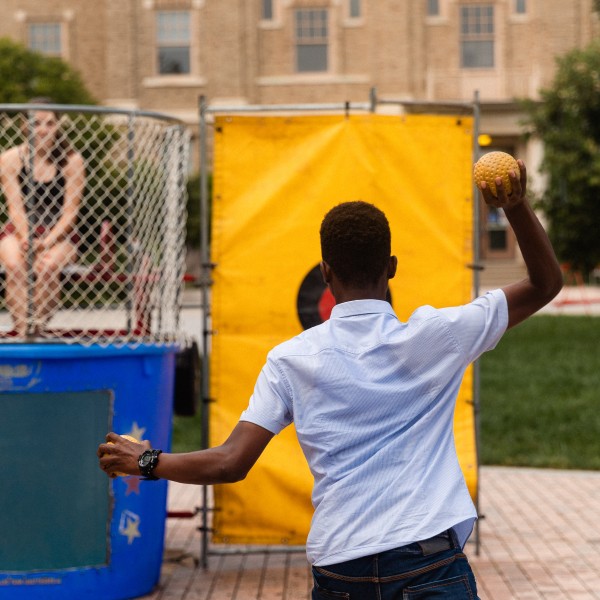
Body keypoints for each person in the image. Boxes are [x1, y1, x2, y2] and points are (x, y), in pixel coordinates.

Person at [98, 160, 563, 599]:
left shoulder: (290, 359)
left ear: (324, 273)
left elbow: (230, 462)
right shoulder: (438, 335)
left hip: (341, 568)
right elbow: (545, 283)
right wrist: (515, 204)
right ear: (392, 268)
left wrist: (148, 461)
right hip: (429, 562)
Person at [0, 98, 84, 337]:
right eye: (36, 123)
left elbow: (70, 213)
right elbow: (14, 207)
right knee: (16, 266)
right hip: (19, 230)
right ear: (25, 127)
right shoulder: (11, 159)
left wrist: (47, 242)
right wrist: (26, 238)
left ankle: (35, 330)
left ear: (58, 126)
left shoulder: (71, 161)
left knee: (48, 267)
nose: (43, 129)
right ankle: (22, 330)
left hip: (59, 233)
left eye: (49, 123)